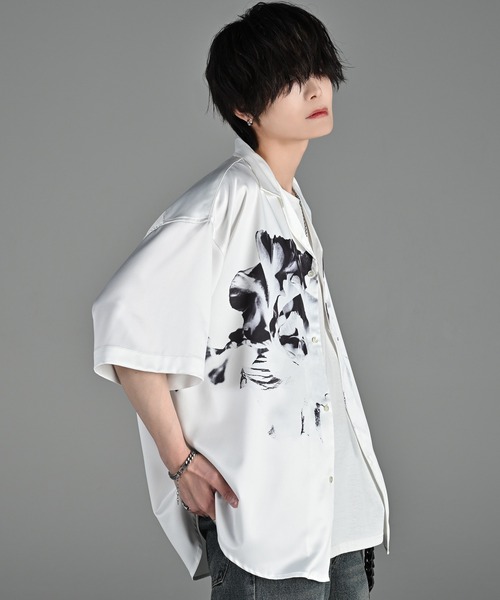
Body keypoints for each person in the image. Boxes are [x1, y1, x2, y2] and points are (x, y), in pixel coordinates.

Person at [92, 2, 390, 598]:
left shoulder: (287, 203)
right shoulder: (223, 204)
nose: (315, 88)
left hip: (341, 520)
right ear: (244, 109)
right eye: (290, 77)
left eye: (319, 69)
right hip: (267, 528)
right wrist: (179, 462)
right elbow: (123, 323)